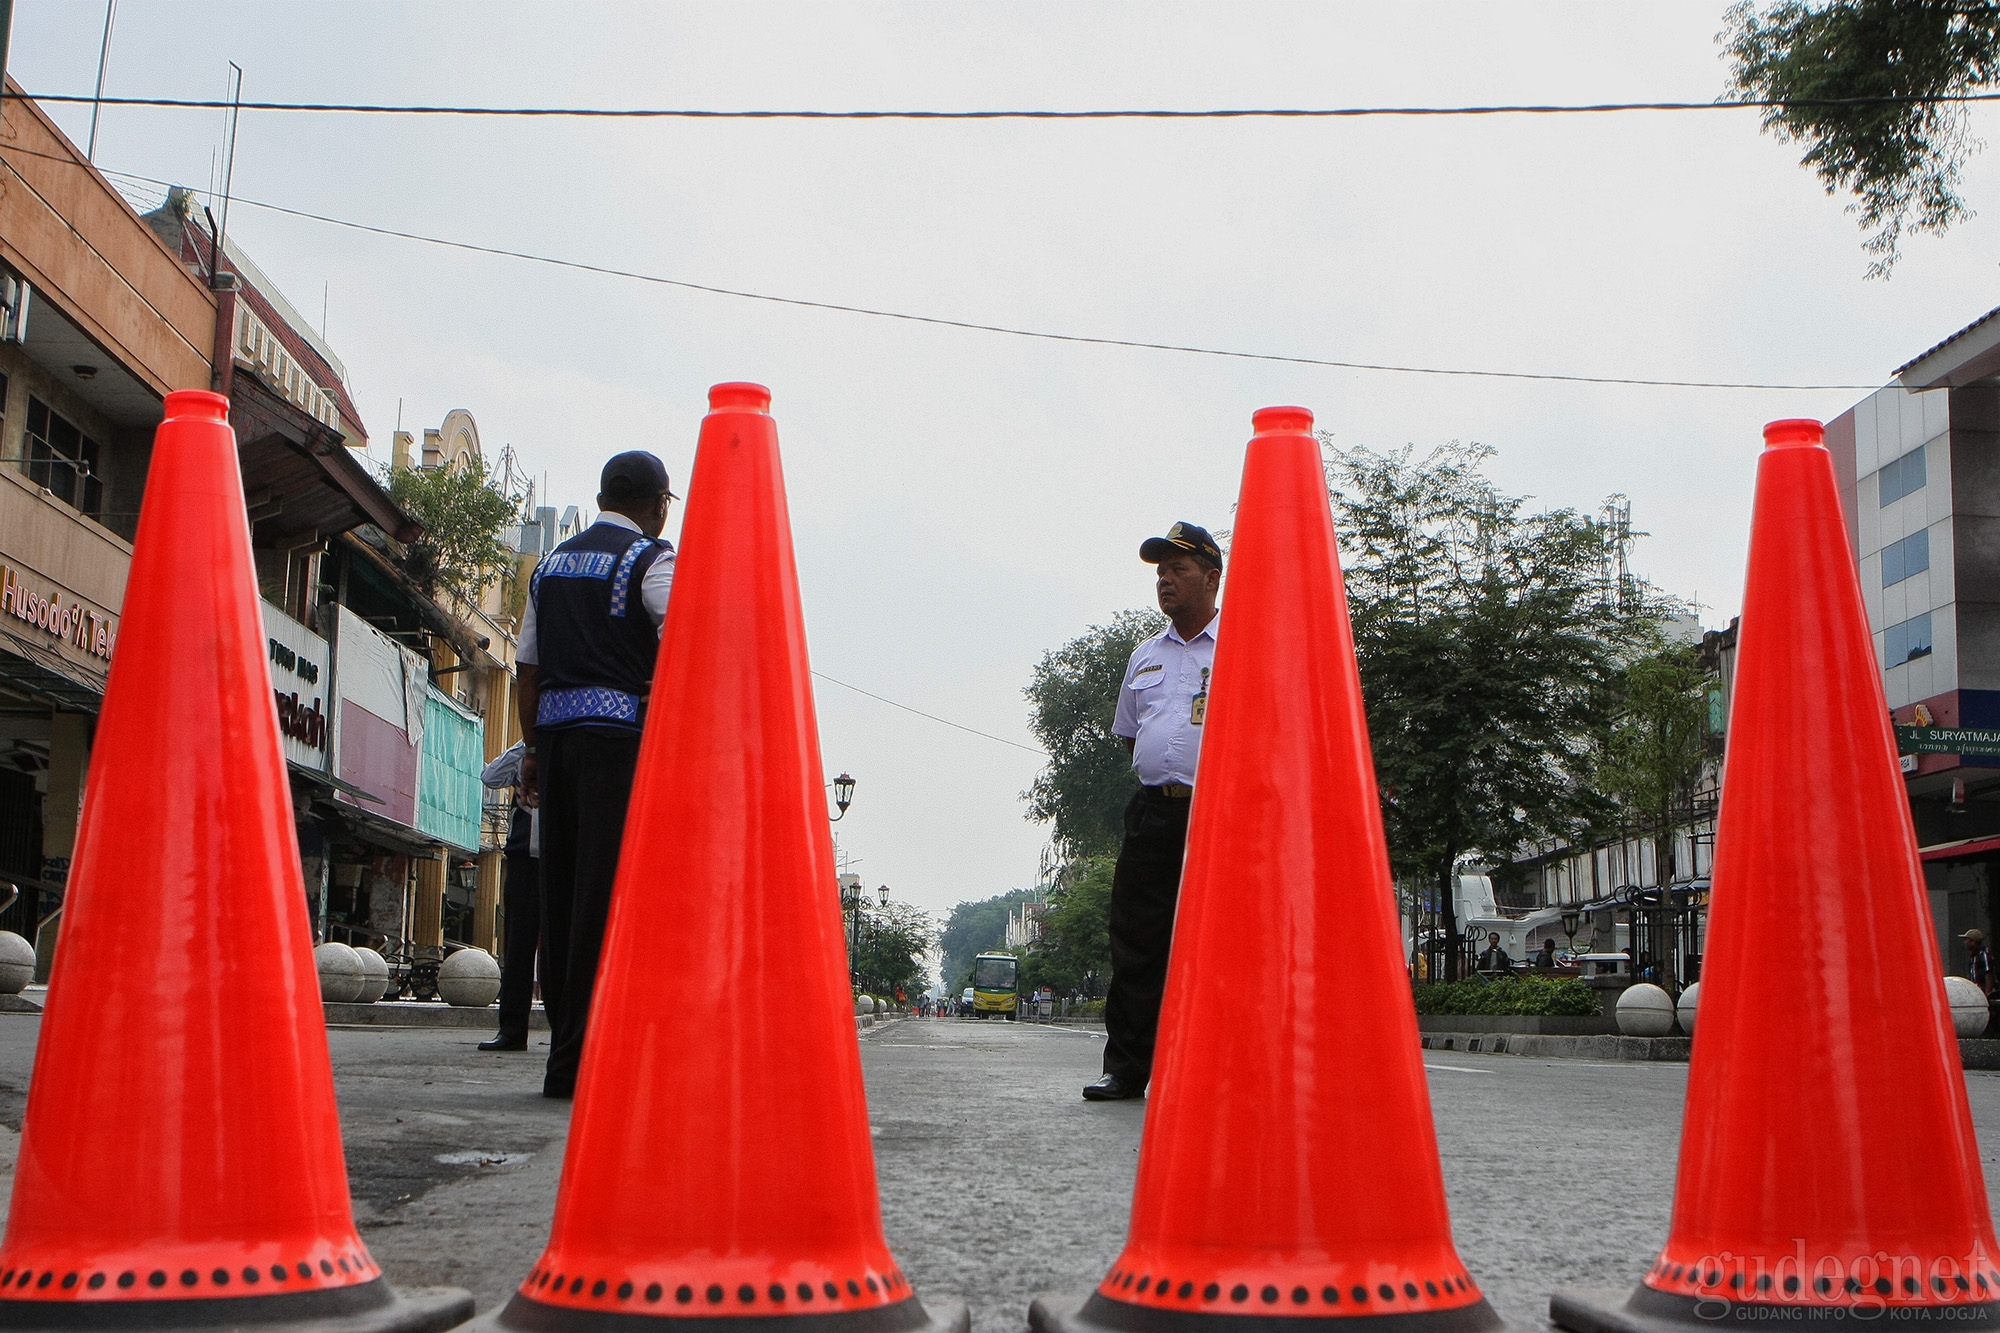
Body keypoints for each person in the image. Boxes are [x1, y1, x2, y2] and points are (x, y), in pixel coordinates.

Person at [517, 451, 677, 1099]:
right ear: (658, 502)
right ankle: (585, 1057)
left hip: (555, 744)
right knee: (605, 899)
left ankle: (565, 1050)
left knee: (560, 893)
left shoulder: (549, 567)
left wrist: (531, 749)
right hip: (621, 748)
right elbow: (685, 636)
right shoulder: (651, 559)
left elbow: (526, 666)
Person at [1083, 522, 1222, 1102]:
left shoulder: (1244, 644)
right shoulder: (1145, 656)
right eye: (1160, 572)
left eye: (1178, 570)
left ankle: (1217, 1065)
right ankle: (1128, 1070)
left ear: (1211, 578)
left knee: (1219, 940)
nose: (1165, 581)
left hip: (1220, 816)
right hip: (1154, 815)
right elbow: (1129, 734)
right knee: (1136, 942)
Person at [477, 740, 540, 1052]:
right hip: (523, 857)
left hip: (566, 855)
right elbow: (491, 776)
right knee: (517, 948)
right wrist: (529, 747)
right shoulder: (527, 754)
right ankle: (512, 1030)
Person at [1967, 928, 1994, 996]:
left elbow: (1989, 974)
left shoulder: (1984, 954)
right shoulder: (1973, 956)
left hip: (1983, 992)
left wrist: (1987, 994)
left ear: (1973, 942)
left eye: (1967, 940)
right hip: (1976, 992)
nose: (1965, 942)